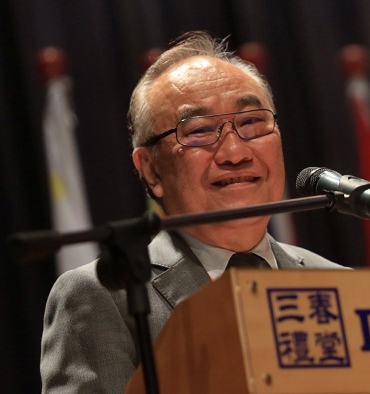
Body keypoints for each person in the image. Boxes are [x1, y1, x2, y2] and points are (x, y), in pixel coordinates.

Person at [40, 31, 345, 393]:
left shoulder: (340, 284)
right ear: (151, 169)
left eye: (251, 122)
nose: (235, 153)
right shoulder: (103, 295)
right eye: (199, 131)